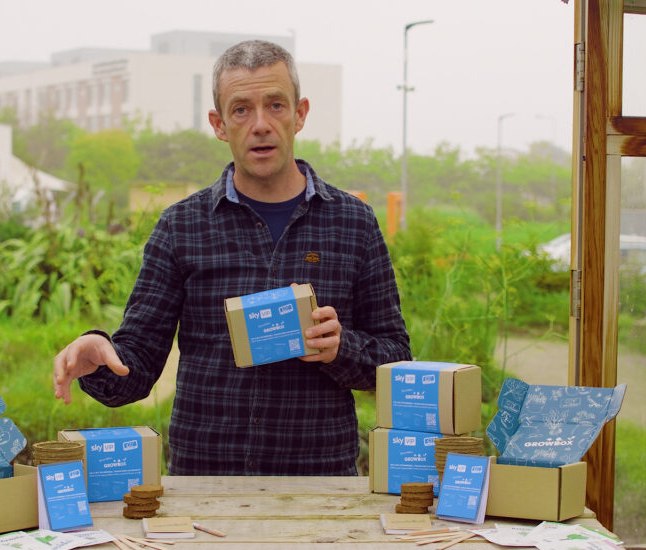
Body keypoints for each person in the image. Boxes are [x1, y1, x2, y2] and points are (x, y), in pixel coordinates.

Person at [52, 39, 411, 476]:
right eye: (241, 109)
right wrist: (99, 355)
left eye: (276, 105)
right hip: (204, 483)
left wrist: (341, 348)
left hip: (321, 483)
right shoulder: (181, 226)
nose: (260, 124)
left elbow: (396, 363)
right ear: (219, 124)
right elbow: (138, 366)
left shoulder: (353, 223)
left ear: (300, 114)